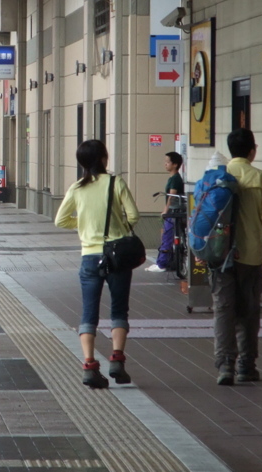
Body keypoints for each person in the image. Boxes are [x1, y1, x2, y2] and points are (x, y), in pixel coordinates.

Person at [55, 139, 140, 389]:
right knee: (118, 310)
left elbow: (60, 220)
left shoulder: (77, 188)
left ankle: (90, 365)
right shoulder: (115, 182)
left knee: (88, 312)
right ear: (104, 158)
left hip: (89, 256)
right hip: (116, 255)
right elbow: (134, 216)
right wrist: (120, 229)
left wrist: (82, 226)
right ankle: (117, 360)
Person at [212, 128, 262, 386]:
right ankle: (246, 365)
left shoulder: (218, 176)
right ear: (253, 150)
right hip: (251, 255)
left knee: (223, 310)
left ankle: (225, 366)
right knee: (248, 313)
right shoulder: (261, 178)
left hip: (220, 255)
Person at [147, 152, 184, 272]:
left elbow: (171, 197)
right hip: (174, 211)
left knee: (167, 236)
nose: (165, 164)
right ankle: (163, 262)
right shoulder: (173, 178)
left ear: (175, 164)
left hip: (173, 212)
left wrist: (165, 211)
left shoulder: (175, 179)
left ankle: (162, 263)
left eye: (167, 162)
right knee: (166, 235)